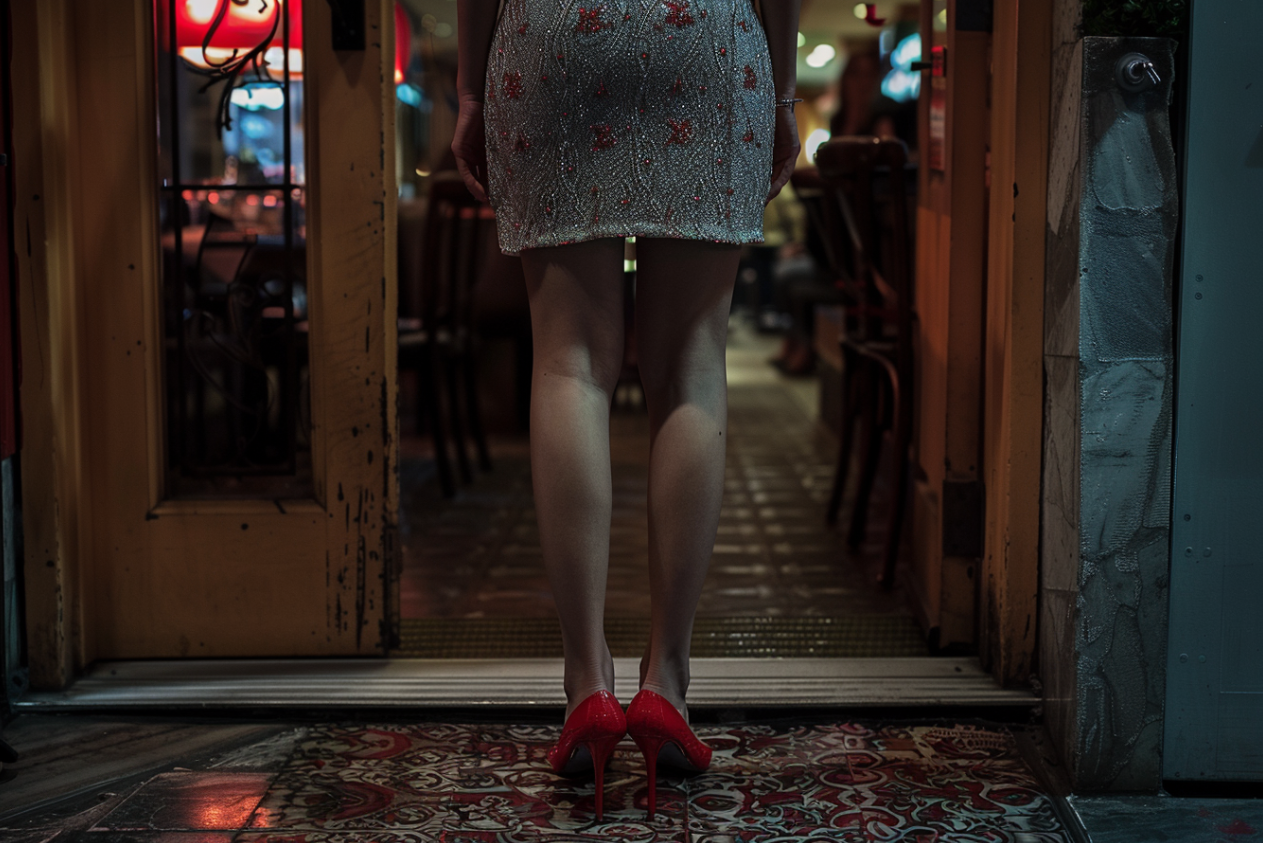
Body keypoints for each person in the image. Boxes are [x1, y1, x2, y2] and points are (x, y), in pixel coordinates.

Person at [452, 0, 802, 821]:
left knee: (569, 365)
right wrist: (781, 95)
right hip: (708, 44)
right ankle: (666, 686)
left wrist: (471, 93)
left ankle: (586, 685)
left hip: (550, 42)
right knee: (688, 368)